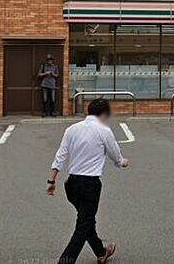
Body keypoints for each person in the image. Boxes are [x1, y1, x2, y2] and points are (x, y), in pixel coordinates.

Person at [46, 99, 130, 264]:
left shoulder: (72, 129)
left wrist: (51, 180)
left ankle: (101, 252)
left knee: (86, 220)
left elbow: (60, 155)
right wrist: (122, 162)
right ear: (104, 114)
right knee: (83, 224)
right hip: (89, 185)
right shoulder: (104, 130)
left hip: (71, 184)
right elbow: (115, 154)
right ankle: (65, 261)